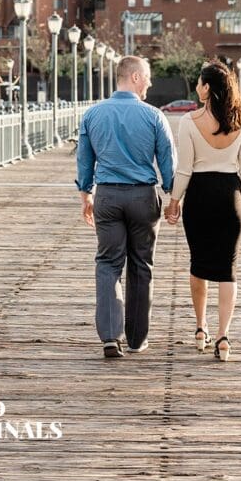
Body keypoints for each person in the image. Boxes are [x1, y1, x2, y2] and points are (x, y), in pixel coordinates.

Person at [76, 55, 176, 359]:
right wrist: (173, 196)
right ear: (133, 77)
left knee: (108, 263)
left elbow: (84, 159)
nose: (149, 83)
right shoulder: (154, 116)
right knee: (141, 265)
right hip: (143, 197)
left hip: (106, 196)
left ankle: (109, 336)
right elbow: (168, 160)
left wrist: (86, 195)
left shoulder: (93, 114)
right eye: (146, 76)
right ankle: (136, 339)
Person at [164, 59, 241, 362]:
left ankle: (200, 328)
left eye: (200, 83)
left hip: (200, 196)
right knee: (228, 269)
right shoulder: (240, 121)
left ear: (206, 88)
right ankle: (223, 336)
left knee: (198, 263)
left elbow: (184, 169)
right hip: (231, 197)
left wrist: (174, 201)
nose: (198, 87)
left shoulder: (189, 122)